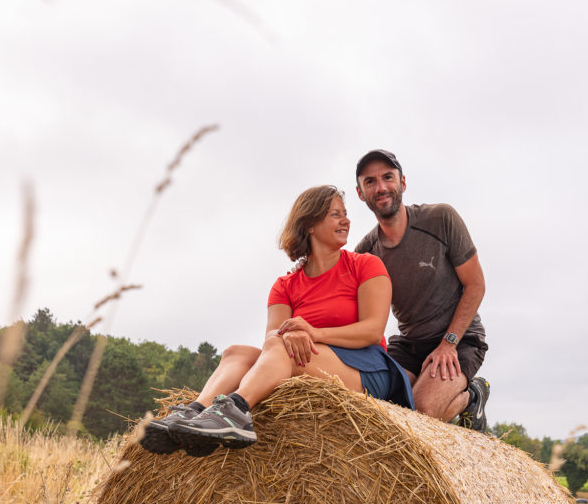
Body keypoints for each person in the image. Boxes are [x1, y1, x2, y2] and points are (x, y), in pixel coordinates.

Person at [140, 185, 413, 456]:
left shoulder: (365, 265)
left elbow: (372, 330)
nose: (346, 221)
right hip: (312, 358)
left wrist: (312, 333)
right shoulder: (285, 285)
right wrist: (289, 336)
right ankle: (194, 413)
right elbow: (273, 337)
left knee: (283, 349)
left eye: (345, 214)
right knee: (236, 352)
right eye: (335, 215)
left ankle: (236, 410)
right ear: (310, 225)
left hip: (367, 368)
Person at [354, 149, 490, 431]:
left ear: (402, 183)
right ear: (360, 193)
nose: (381, 188)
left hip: (460, 339)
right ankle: (427, 384)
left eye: (387, 178)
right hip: (409, 343)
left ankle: (473, 395)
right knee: (379, 406)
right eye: (370, 182)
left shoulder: (441, 219)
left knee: (421, 413)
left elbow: (476, 286)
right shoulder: (365, 252)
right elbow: (340, 293)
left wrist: (448, 343)